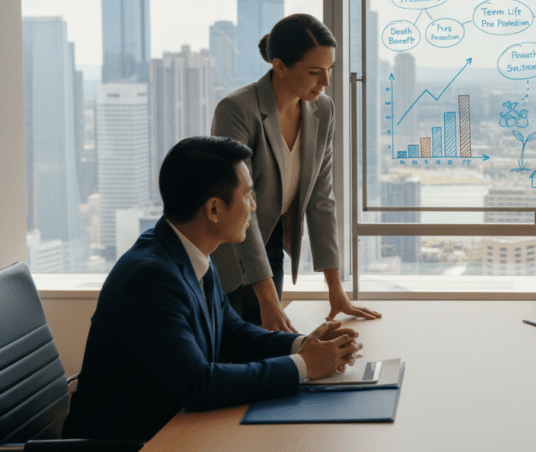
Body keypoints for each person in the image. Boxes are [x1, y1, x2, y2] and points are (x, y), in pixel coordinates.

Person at [63, 136, 363, 441]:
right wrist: (304, 366)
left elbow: (232, 334)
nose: (254, 207)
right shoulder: (150, 278)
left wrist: (302, 344)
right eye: (247, 195)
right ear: (214, 209)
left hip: (174, 430)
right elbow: (198, 385)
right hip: (130, 443)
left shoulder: (191, 254)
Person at [211, 13, 380, 332]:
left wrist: (336, 291)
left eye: (330, 69)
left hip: (270, 239)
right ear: (279, 67)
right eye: (315, 72)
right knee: (234, 347)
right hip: (229, 245)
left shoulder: (322, 109)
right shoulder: (236, 111)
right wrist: (269, 302)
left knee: (265, 346)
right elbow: (236, 205)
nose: (326, 81)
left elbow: (320, 199)